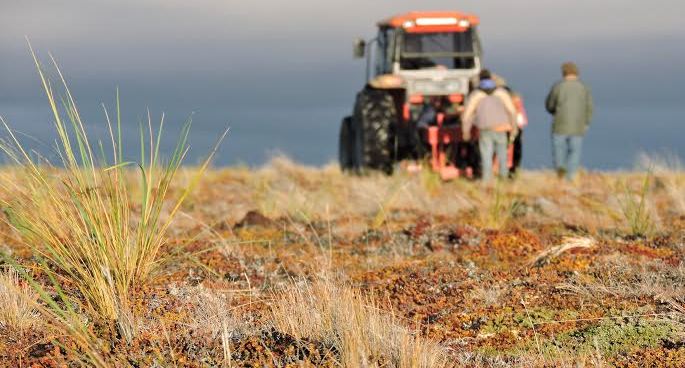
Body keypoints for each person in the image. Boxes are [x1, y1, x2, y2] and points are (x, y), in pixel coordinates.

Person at [462, 70, 518, 182]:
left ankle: (487, 181)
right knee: (502, 155)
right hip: (502, 128)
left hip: (485, 129)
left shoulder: (476, 94)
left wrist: (465, 131)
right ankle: (504, 179)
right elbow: (512, 111)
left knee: (486, 156)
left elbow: (467, 115)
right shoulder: (501, 92)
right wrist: (514, 129)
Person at [545, 62, 594, 181]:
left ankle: (560, 168)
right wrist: (587, 122)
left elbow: (549, 105)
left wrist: (554, 111)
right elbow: (589, 107)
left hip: (559, 124)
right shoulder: (584, 88)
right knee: (574, 152)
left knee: (558, 150)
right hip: (578, 126)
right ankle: (570, 176)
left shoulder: (558, 87)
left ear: (563, 72)